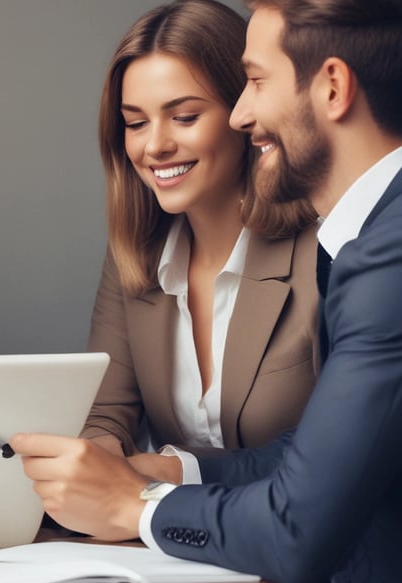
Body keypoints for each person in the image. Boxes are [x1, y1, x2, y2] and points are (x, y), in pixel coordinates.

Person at [12, 0, 402, 581]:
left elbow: (303, 514)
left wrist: (135, 502)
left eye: (255, 83)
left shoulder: (363, 251)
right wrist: (149, 473)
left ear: (332, 87)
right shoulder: (139, 255)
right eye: (135, 122)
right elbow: (308, 454)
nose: (245, 114)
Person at [79, 0, 319, 474]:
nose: (155, 146)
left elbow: (332, 457)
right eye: (136, 123)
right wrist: (94, 458)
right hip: (165, 520)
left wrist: (166, 472)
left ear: (244, 114)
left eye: (185, 117)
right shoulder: (137, 253)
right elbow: (106, 412)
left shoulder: (326, 247)